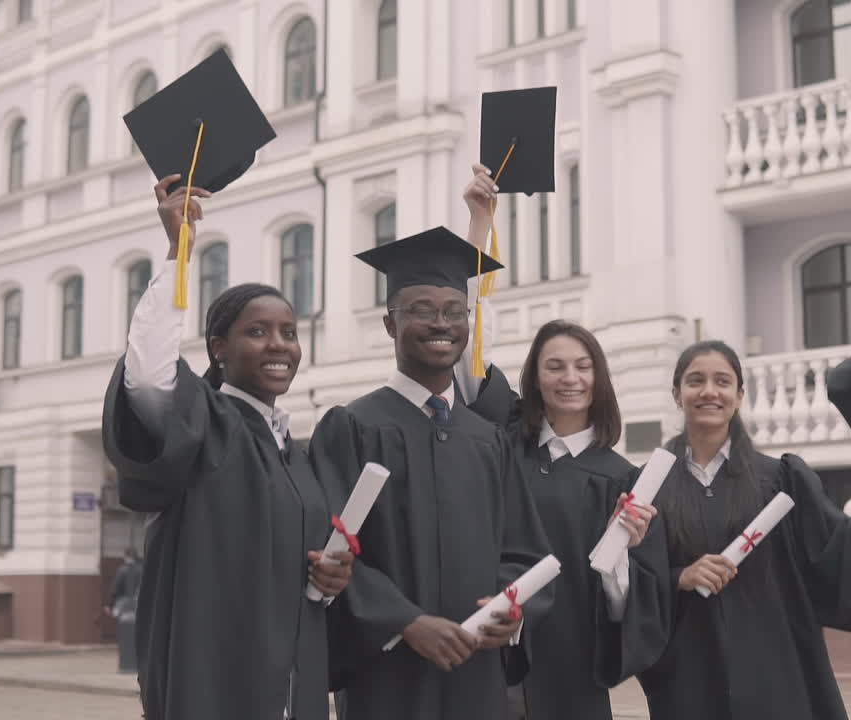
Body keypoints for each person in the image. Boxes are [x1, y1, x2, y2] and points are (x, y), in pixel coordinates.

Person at [101, 175, 353, 720]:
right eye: (257, 332)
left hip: (294, 685)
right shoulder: (202, 423)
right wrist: (178, 252)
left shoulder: (295, 454)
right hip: (216, 679)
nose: (279, 345)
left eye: (289, 332)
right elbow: (147, 375)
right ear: (219, 347)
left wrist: (331, 581)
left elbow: (301, 569)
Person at [309, 226, 553, 720]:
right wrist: (404, 621)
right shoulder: (352, 427)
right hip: (388, 676)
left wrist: (511, 608)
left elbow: (524, 551)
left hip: (475, 673)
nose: (441, 323)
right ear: (389, 323)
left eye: (455, 311)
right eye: (421, 310)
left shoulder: (488, 440)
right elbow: (326, 550)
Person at [457, 166, 670, 720]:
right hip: (492, 657)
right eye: (554, 366)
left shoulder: (622, 482)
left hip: (572, 671)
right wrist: (479, 224)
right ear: (535, 377)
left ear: (599, 378)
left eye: (582, 366)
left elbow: (630, 609)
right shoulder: (504, 441)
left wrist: (621, 557)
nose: (569, 378)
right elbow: (469, 348)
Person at [638, 341, 851, 719]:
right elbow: (630, 580)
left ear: (739, 395)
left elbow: (841, 549)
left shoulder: (781, 479)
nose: (709, 391)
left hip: (775, 670)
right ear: (677, 394)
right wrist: (680, 577)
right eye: (695, 381)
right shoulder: (649, 485)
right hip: (689, 674)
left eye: (722, 381)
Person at [103, 548, 143, 621]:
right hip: (138, 605)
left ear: (125, 556)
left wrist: (108, 604)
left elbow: (115, 588)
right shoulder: (142, 570)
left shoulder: (122, 570)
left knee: (124, 625)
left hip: (124, 605)